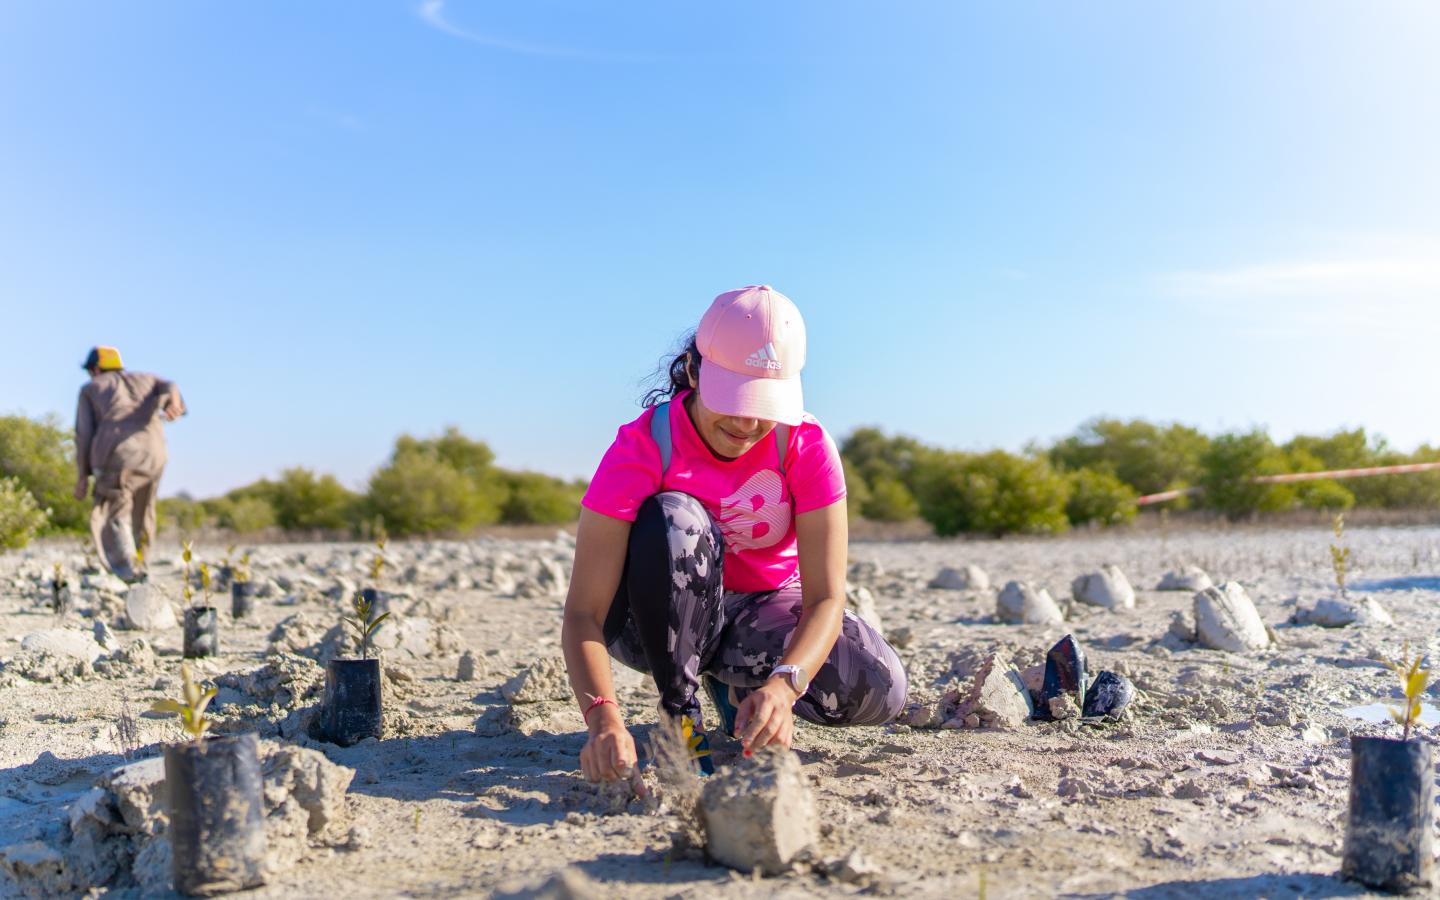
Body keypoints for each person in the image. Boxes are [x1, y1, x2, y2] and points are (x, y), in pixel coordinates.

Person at [561, 285, 907, 783]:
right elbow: (583, 613)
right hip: (652, 625)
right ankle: (679, 711)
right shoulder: (641, 448)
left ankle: (739, 687)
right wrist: (603, 720)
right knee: (675, 518)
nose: (747, 423)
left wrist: (785, 688)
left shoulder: (805, 443)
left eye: (764, 403)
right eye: (733, 398)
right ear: (695, 371)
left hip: (758, 611)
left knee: (878, 687)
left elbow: (826, 598)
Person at [74, 346, 187, 582]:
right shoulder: (146, 379)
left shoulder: (90, 388)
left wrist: (82, 476)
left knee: (114, 512)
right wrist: (173, 402)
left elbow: (84, 433)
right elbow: (170, 385)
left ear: (95, 369)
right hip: (154, 453)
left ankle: (129, 574)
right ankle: (142, 564)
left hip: (116, 454)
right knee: (144, 510)